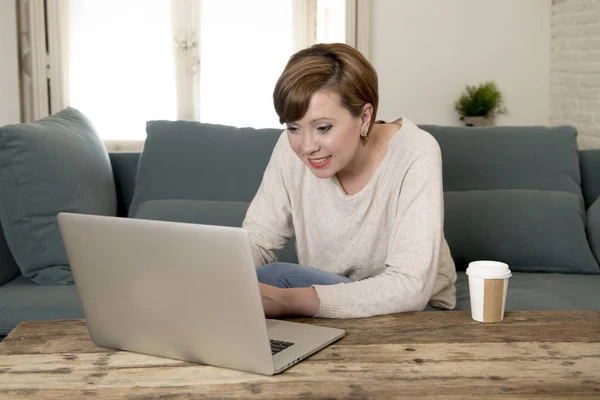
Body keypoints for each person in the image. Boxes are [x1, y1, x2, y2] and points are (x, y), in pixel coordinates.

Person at [242, 43, 457, 319]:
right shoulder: (289, 149)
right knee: (248, 281)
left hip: (415, 309)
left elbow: (410, 286)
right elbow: (258, 240)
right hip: (331, 298)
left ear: (364, 117)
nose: (307, 147)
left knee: (273, 277)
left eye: (323, 128)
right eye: (294, 128)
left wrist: (288, 301)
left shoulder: (416, 150)